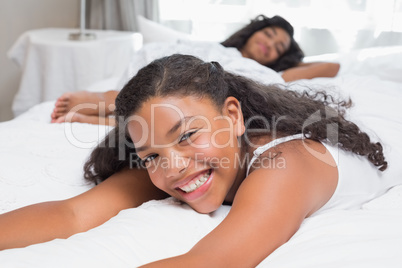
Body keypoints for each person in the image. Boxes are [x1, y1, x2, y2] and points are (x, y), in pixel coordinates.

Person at [2, 54, 399, 268]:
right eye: (152, 154)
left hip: (380, 115)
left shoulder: (287, 165)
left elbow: (215, 260)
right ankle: (111, 108)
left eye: (188, 135)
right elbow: (73, 215)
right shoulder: (176, 161)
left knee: (309, 87)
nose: (173, 167)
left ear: (233, 116)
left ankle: (106, 102)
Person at [50, 14, 340, 125]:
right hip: (182, 64)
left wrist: (291, 61)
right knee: (159, 79)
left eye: (278, 47)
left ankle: (104, 118)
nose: (270, 45)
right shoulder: (212, 47)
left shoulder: (263, 72)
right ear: (253, 31)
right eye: (269, 35)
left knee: (178, 105)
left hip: (203, 85)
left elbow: (332, 66)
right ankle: (103, 101)